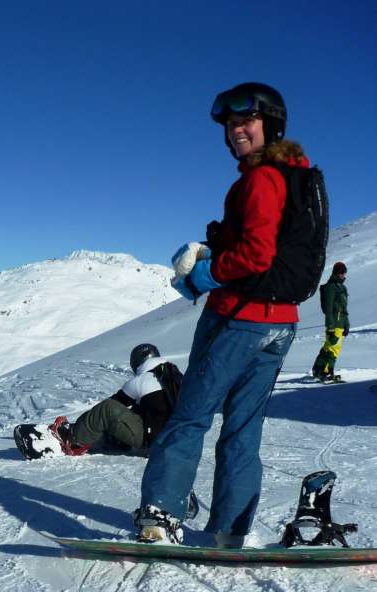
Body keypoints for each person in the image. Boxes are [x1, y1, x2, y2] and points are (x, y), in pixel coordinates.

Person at [136, 81, 325, 545]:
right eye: (232, 124)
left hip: (238, 318)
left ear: (271, 124)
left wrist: (204, 274)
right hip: (280, 323)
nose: (238, 130)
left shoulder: (260, 178)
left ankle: (160, 518)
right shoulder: (296, 176)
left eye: (248, 121)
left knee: (190, 417)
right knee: (243, 427)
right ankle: (230, 531)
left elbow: (257, 256)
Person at [47, 343, 184, 456]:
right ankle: (117, 442)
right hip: (177, 440)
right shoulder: (172, 377)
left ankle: (72, 439)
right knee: (139, 409)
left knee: (108, 409)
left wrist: (78, 425)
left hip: (155, 444)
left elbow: (112, 405)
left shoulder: (143, 380)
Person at [311, 261, 349, 381]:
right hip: (334, 323)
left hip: (341, 323)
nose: (344, 275)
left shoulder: (341, 287)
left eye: (344, 272)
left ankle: (319, 369)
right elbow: (328, 308)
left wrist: (346, 324)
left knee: (330, 346)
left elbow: (343, 309)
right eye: (341, 273)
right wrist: (330, 326)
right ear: (336, 273)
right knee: (333, 347)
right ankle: (326, 371)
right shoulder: (331, 287)